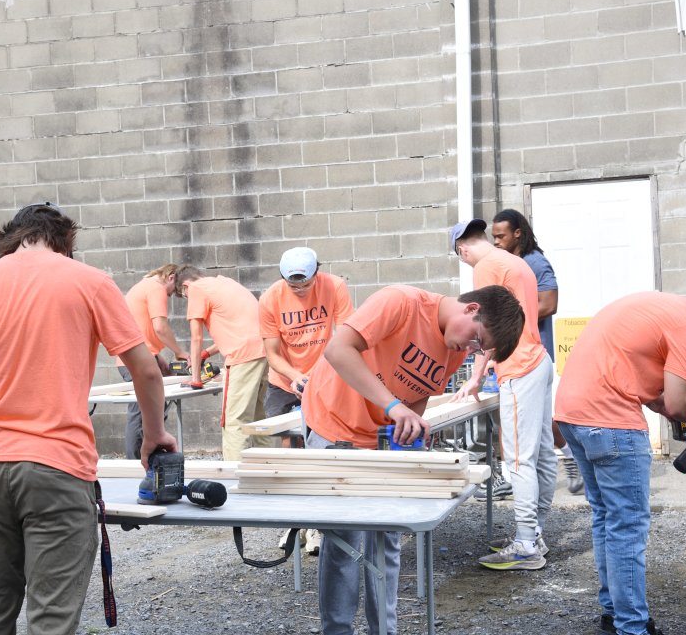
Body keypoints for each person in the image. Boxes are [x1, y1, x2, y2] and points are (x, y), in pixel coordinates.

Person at [0, 202, 173, 635]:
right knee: (51, 620)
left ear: (10, 239)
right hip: (55, 466)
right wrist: (154, 434)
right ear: (66, 243)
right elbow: (146, 369)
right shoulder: (89, 281)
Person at [302, 284, 525, 635]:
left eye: (479, 350)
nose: (470, 351)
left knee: (387, 539)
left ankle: (384, 631)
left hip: (381, 437)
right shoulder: (402, 303)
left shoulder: (453, 349)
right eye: (476, 341)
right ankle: (337, 629)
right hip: (337, 426)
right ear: (471, 309)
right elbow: (338, 350)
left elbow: (418, 392)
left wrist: (410, 430)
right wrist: (394, 407)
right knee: (343, 541)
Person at [555, 289, 686, 635]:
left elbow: (634, 371)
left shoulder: (658, 304)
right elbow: (679, 403)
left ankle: (613, 613)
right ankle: (632, 627)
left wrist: (655, 398)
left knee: (606, 518)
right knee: (628, 526)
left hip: (572, 416)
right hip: (611, 423)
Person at [450, 218, 557, 571]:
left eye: (461, 257)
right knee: (540, 453)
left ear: (463, 249)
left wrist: (476, 377)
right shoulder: (515, 261)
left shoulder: (486, 267)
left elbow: (486, 329)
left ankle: (526, 543)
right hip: (539, 359)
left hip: (519, 366)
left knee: (518, 460)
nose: (465, 262)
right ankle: (534, 533)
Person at [259, 247, 355, 556]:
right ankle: (294, 519)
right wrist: (295, 376)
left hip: (325, 376)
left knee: (322, 444)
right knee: (290, 447)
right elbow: (272, 352)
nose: (299, 289)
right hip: (285, 379)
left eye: (305, 283)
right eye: (293, 284)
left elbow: (346, 335)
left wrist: (325, 373)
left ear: (317, 272)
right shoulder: (270, 298)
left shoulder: (335, 287)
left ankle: (317, 524)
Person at [491, 209, 583, 495]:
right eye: (493, 237)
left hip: (534, 354)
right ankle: (566, 460)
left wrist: (510, 322)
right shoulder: (508, 264)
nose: (496, 242)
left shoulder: (535, 263)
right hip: (510, 355)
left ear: (518, 233)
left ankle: (568, 460)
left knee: (535, 423)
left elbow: (549, 304)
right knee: (514, 419)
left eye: (501, 236)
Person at [178, 265, 275, 461]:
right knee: (257, 416)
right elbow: (241, 327)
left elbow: (196, 338)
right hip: (265, 351)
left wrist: (196, 378)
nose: (188, 299)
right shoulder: (226, 283)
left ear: (186, 285)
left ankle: (234, 475)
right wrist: (207, 353)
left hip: (243, 357)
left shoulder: (196, 288)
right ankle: (266, 466)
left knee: (234, 421)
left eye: (184, 295)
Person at [119, 263, 189, 459]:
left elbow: (139, 329)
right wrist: (180, 352)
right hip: (135, 359)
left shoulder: (143, 286)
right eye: (171, 294)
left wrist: (158, 357)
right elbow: (159, 327)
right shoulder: (156, 288)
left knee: (149, 409)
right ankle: (135, 462)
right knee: (140, 413)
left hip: (138, 356)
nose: (168, 297)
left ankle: (149, 455)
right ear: (171, 278)